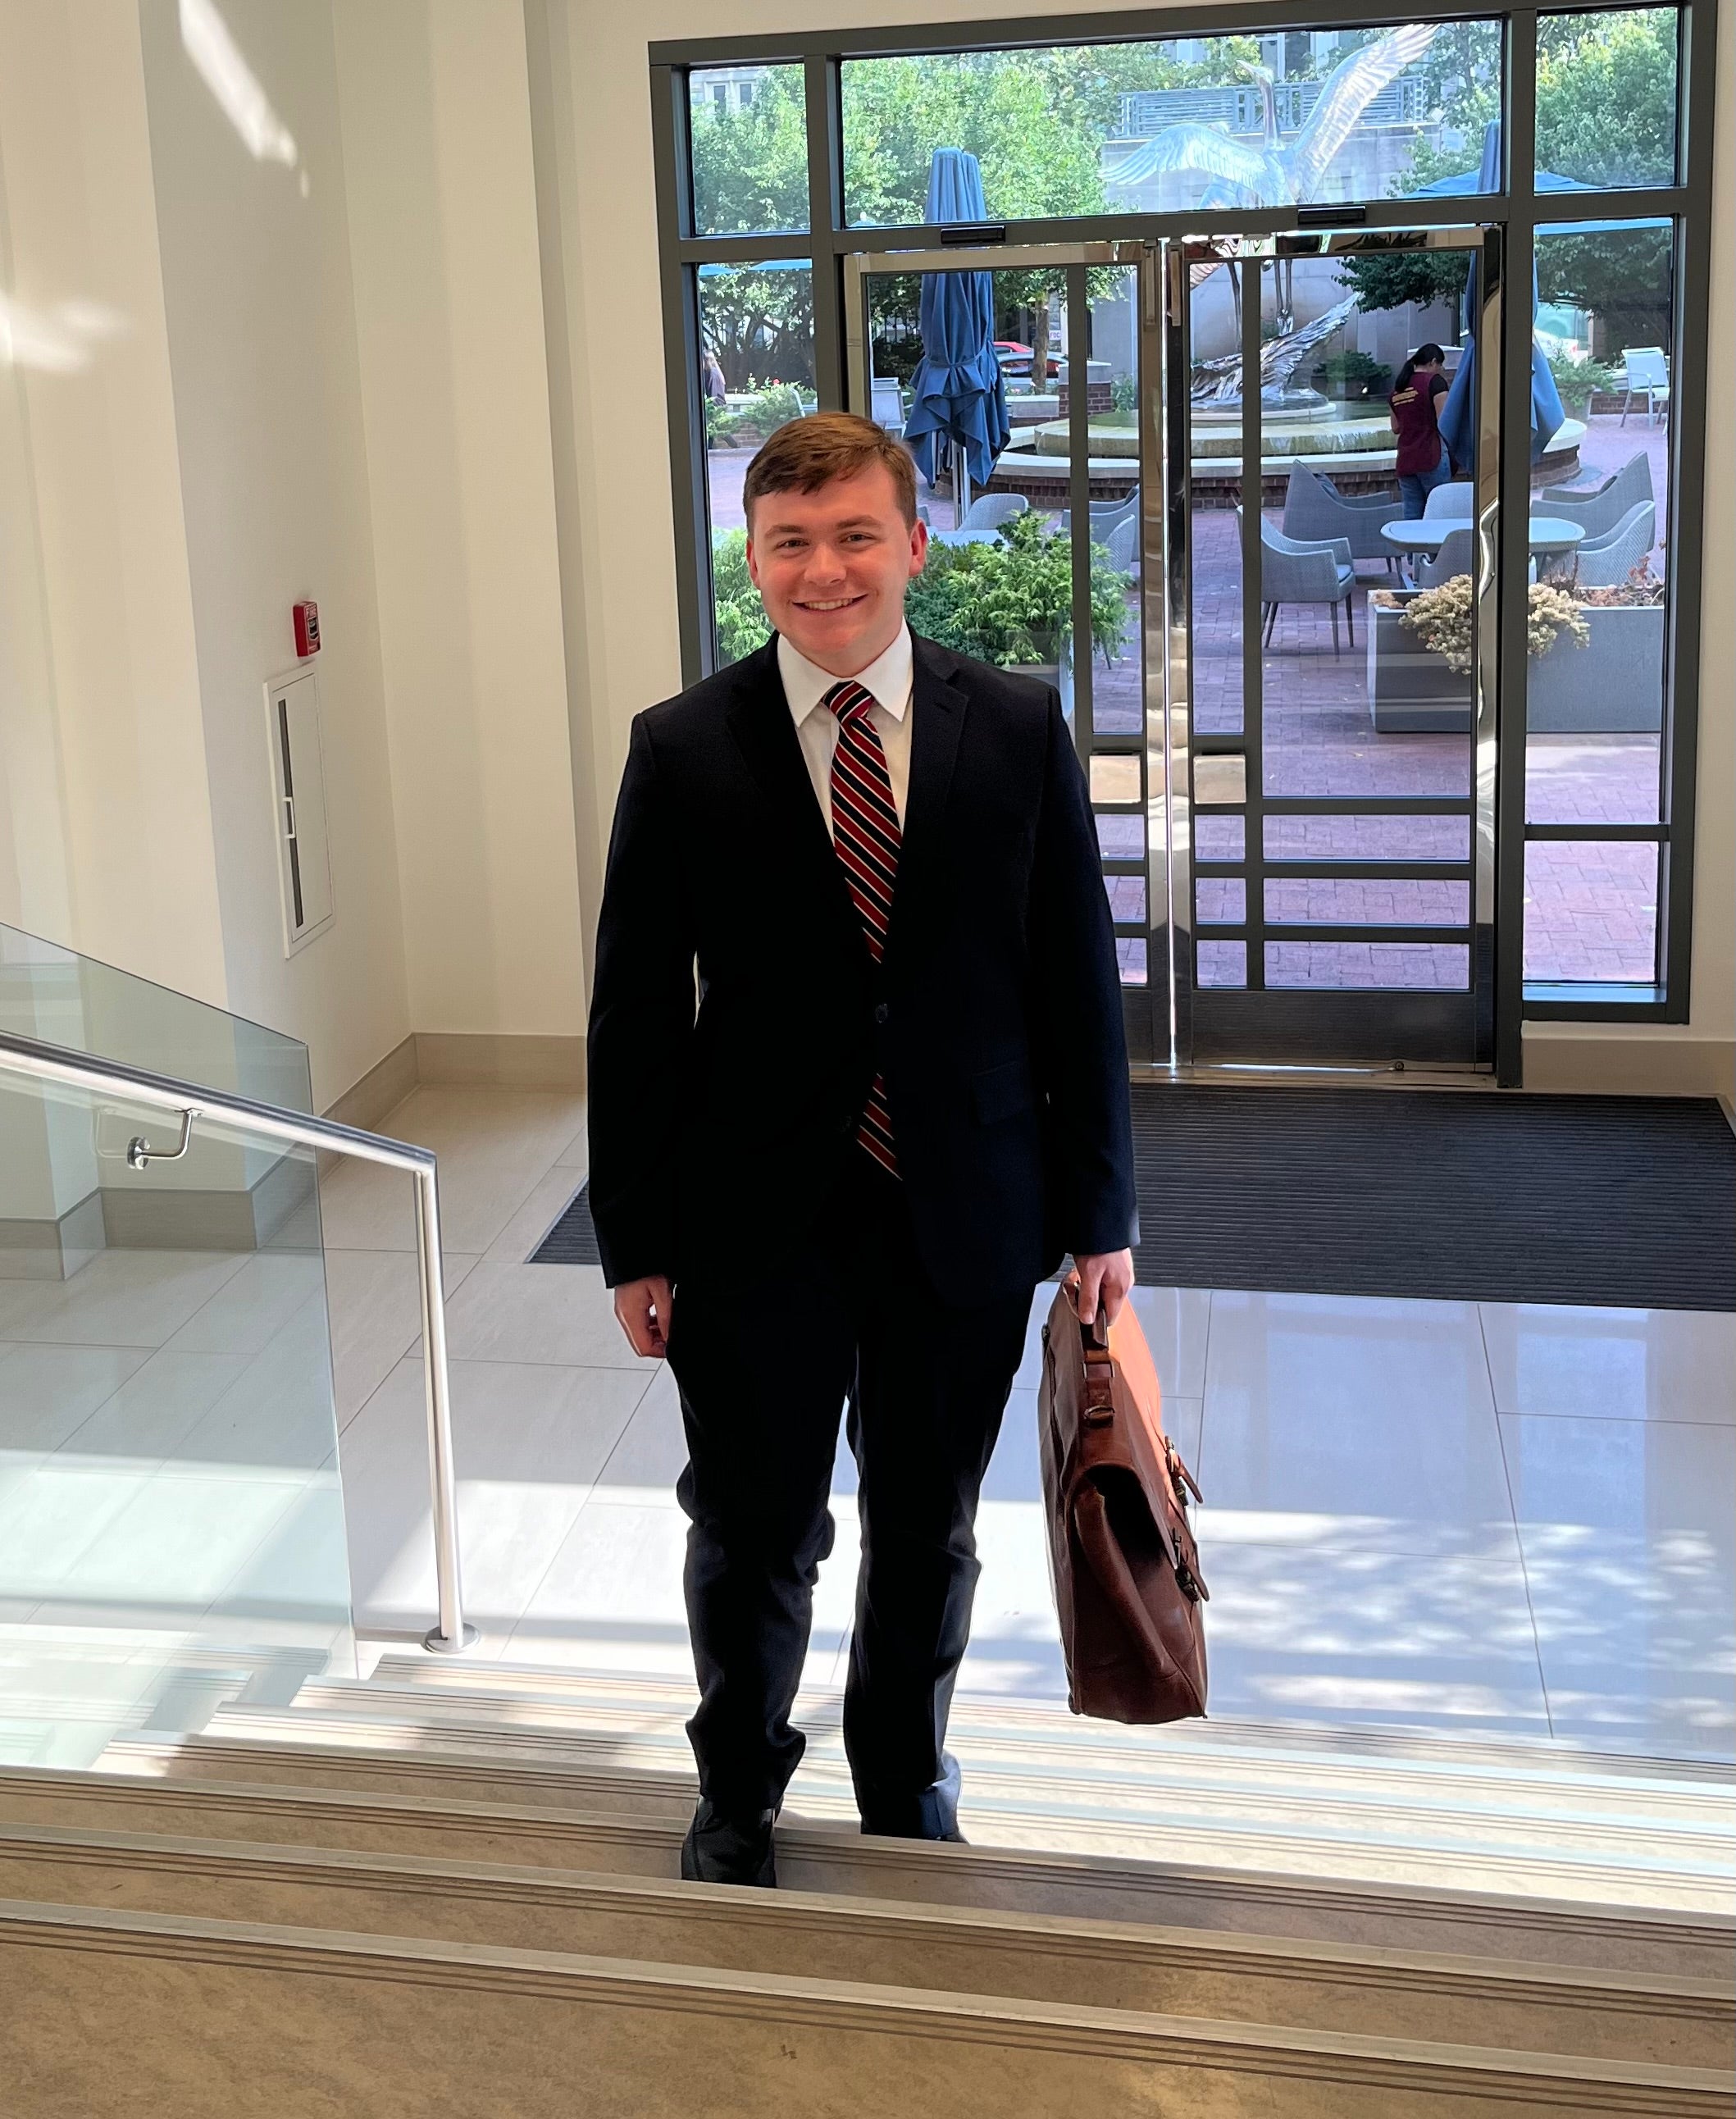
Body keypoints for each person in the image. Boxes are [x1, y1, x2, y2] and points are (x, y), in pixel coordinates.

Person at [587, 412, 1137, 1889]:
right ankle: (739, 1783)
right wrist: (632, 1237)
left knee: (927, 1523)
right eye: (788, 542)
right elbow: (636, 1016)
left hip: (962, 1205)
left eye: (852, 535)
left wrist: (1101, 1210)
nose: (823, 570)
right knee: (754, 1519)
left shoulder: (1013, 725)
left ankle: (902, 1764)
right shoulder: (682, 746)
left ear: (912, 542)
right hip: (750, 1216)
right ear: (752, 557)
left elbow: (1072, 978)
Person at [1389, 343, 1453, 517]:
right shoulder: (1435, 382)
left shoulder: (1398, 388)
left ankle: (1414, 546)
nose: (1441, 369)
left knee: (1412, 514)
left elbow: (1395, 428)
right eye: (1440, 365)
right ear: (1433, 363)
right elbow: (1444, 422)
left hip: (1406, 460)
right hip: (1431, 456)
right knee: (1440, 511)